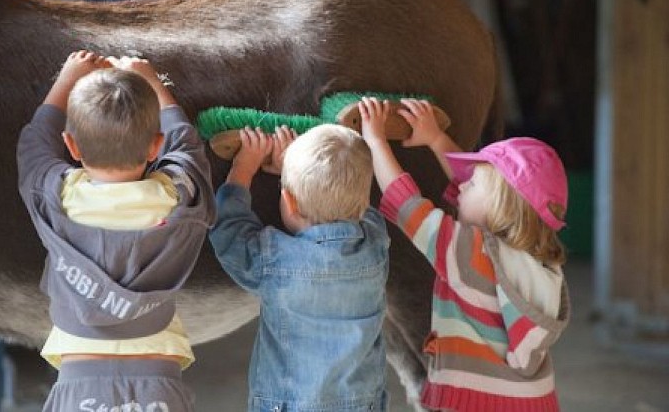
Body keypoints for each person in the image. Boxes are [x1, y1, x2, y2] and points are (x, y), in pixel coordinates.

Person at [17, 50, 215, 412]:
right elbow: (187, 147)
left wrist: (66, 79)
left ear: (72, 146)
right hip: (160, 380)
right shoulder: (175, 198)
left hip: (79, 381)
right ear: (155, 146)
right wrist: (154, 82)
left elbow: (34, 145)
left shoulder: (57, 196)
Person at [359, 97, 570, 412]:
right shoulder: (542, 262)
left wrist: (375, 141)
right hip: (532, 401)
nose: (459, 187)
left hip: (473, 403)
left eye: (471, 184)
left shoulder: (467, 251)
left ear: (500, 206)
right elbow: (481, 190)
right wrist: (435, 139)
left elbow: (406, 204)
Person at [209, 124, 390, 412]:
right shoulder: (374, 245)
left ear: (288, 202)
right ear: (364, 203)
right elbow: (361, 208)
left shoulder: (276, 261)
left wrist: (244, 168)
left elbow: (229, 232)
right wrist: (296, 175)